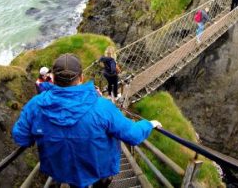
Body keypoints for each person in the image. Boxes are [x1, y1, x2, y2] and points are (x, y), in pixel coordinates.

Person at [13, 54, 161, 188]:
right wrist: (149, 124)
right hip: (100, 170)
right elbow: (133, 135)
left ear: (53, 79)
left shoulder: (35, 105)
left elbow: (21, 137)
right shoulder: (102, 107)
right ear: (81, 77)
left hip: (64, 171)